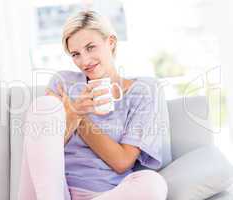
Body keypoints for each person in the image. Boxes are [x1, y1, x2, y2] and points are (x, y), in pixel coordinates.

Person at [18, 10, 170, 200]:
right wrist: (73, 113)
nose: (84, 61)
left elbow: (122, 162)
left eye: (90, 47)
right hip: (54, 191)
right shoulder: (62, 82)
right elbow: (45, 148)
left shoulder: (143, 91)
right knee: (44, 105)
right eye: (76, 54)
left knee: (153, 184)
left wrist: (80, 118)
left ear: (111, 42)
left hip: (109, 194)